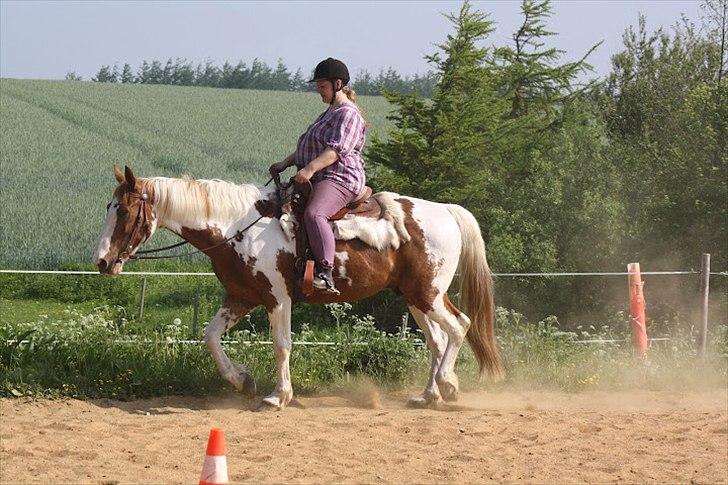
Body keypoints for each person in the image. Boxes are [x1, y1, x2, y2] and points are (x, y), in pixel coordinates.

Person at [269, 58, 367, 293]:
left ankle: (325, 272)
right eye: (318, 87)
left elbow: (335, 150)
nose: (319, 91)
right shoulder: (329, 112)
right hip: (319, 176)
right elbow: (309, 146)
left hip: (340, 177)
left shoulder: (349, 114)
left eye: (322, 86)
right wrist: (284, 163)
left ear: (338, 84)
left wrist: (310, 169)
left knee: (315, 214)